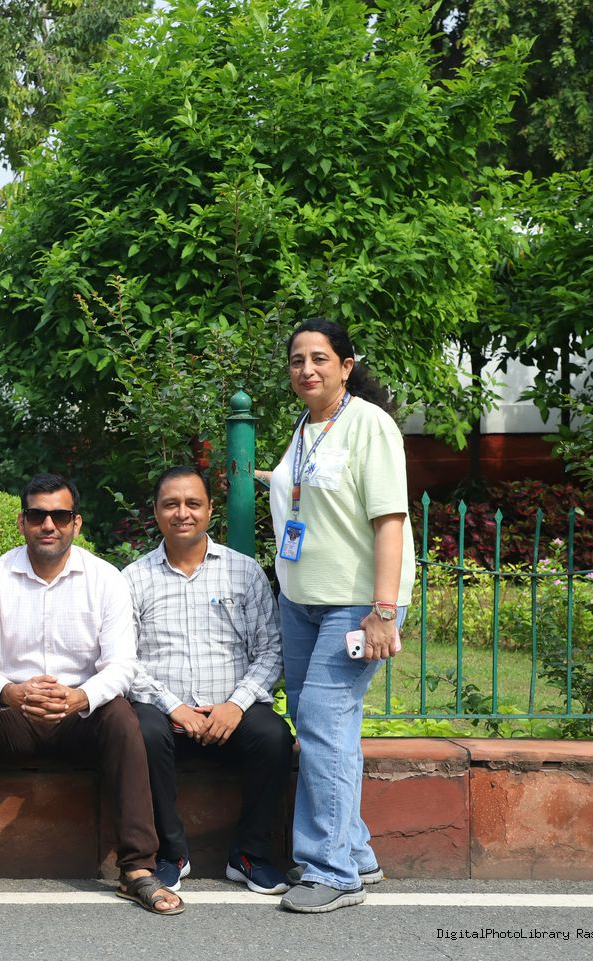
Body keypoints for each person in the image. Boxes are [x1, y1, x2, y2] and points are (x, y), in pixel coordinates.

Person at [0, 473, 184, 916]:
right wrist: (12, 692)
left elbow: (121, 665)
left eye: (60, 516)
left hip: (80, 715)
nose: (49, 524)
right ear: (22, 522)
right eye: (37, 515)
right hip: (14, 714)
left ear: (76, 523)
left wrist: (80, 697)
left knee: (123, 717)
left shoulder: (105, 579)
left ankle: (137, 868)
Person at [257, 318, 414, 913]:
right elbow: (309, 494)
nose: (307, 370)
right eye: (297, 360)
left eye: (320, 359)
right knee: (322, 724)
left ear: (346, 366)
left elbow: (389, 520)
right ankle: (354, 852)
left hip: (355, 602)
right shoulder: (305, 427)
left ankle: (330, 871)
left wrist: (383, 611)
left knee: (324, 723)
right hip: (300, 601)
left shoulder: (369, 424)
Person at [125, 466, 294, 895]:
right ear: (156, 512)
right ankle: (171, 853)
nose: (182, 513)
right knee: (140, 731)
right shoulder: (133, 579)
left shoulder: (244, 572)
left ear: (210, 510)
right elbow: (124, 661)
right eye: (171, 504)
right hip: (165, 713)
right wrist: (173, 707)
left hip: (231, 711)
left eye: (193, 503)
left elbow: (271, 649)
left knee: (273, 736)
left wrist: (235, 706)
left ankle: (249, 855)